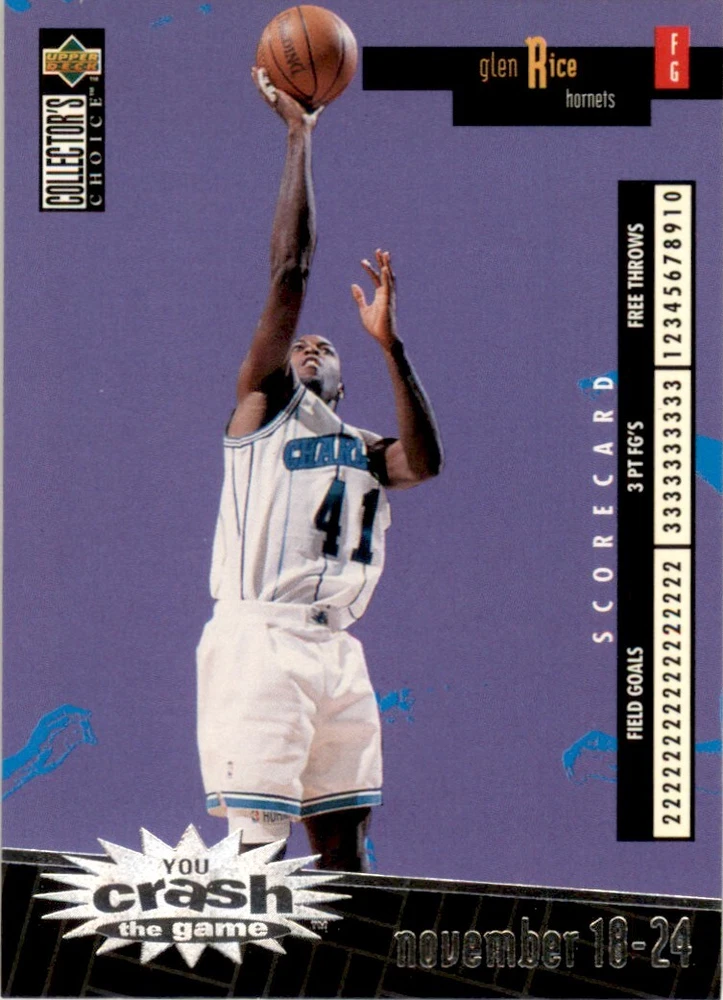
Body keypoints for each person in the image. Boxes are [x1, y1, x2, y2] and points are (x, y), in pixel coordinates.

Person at [196, 69, 443, 871]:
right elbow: (289, 273)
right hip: (259, 638)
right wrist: (299, 137)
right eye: (301, 344)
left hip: (337, 649)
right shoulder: (262, 409)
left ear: (342, 377)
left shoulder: (368, 447)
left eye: (325, 347)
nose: (308, 345)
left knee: (345, 849)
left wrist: (390, 346)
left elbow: (425, 462)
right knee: (258, 849)